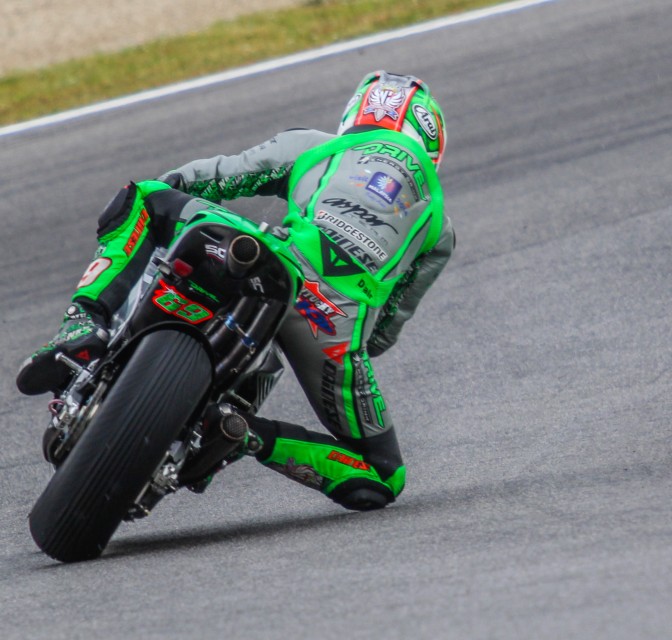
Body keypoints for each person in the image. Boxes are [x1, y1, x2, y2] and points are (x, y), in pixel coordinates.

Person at [16, 70, 455, 511]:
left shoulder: (316, 145)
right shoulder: (440, 231)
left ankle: (82, 325)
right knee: (382, 474)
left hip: (272, 256)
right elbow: (381, 336)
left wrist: (172, 205)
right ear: (430, 146)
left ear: (354, 114)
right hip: (333, 324)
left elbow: (211, 179)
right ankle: (244, 434)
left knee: (144, 197)